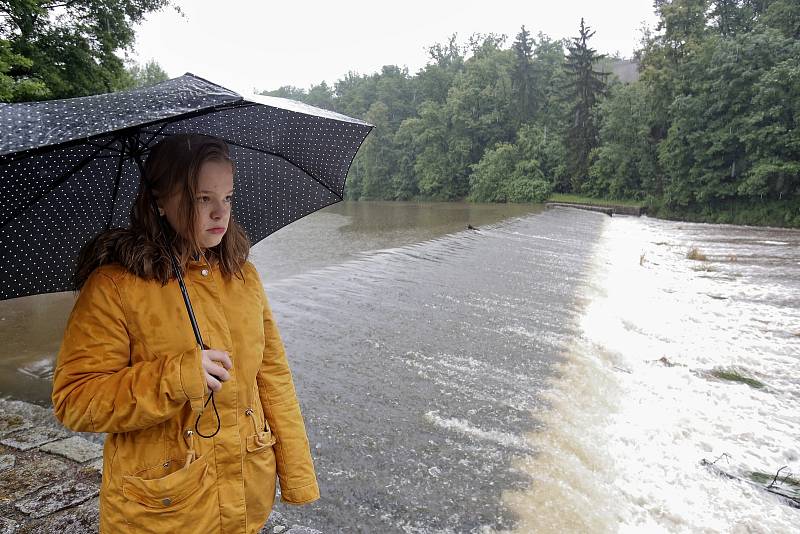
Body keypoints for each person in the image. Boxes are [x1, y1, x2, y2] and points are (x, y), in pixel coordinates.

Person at [51, 133, 319, 533]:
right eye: (201, 198)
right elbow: (75, 400)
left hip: (246, 494)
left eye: (227, 198)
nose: (219, 214)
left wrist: (296, 476)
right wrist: (176, 378)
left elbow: (273, 377)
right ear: (160, 200)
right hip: (162, 509)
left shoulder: (242, 275)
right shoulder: (115, 287)